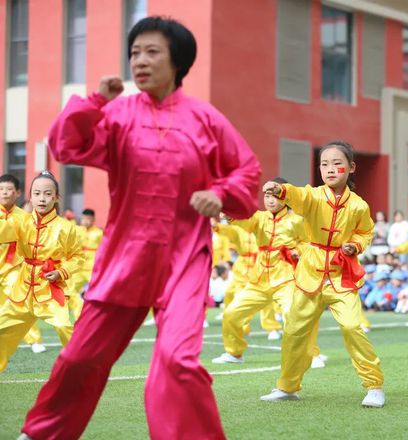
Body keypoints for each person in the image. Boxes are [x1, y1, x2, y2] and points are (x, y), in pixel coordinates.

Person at [19, 17, 260, 440]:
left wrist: (220, 193)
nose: (140, 62)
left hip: (184, 258)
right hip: (125, 257)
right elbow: (65, 145)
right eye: (135, 53)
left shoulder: (205, 118)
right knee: (79, 358)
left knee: (177, 362)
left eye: (152, 52)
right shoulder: (117, 114)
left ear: (178, 61)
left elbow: (247, 170)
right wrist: (94, 102)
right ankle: (42, 435)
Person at [260, 141, 385, 408]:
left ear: (351, 168)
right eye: (324, 164)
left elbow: (366, 232)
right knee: (294, 331)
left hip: (342, 275)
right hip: (310, 274)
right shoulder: (313, 196)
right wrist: (280, 190)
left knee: (352, 326)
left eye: (336, 163)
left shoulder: (359, 206)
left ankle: (374, 386)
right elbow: (297, 196)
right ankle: (288, 387)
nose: (329, 169)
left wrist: (356, 245)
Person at [213, 177, 324, 368]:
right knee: (231, 313)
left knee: (294, 316)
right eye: (267, 196)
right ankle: (235, 352)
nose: (270, 200)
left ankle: (312, 355)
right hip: (259, 279)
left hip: (286, 279)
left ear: (285, 197)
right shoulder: (258, 217)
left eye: (274, 196)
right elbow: (243, 222)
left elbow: (309, 243)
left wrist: (298, 251)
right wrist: (229, 213)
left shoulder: (296, 221)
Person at [0, 171, 83, 372]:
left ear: (56, 197)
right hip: (22, 291)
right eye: (37, 193)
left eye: (47, 194)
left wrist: (61, 272)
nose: (42, 198)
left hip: (50, 290)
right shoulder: (21, 221)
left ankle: (82, 370)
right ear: (30, 197)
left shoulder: (66, 227)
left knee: (64, 327)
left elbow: (77, 257)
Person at [0, 174, 47, 354]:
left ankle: (34, 340)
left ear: (17, 192)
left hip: (12, 269)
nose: (4, 193)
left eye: (9, 189)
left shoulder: (24, 217)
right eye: (1, 189)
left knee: (21, 303)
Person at [67, 208, 104, 321]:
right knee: (70, 289)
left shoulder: (99, 233)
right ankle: (78, 315)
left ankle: (100, 314)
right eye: (83, 219)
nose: (85, 221)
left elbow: (104, 249)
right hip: (78, 267)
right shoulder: (77, 230)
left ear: (93, 220)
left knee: (99, 291)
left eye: (88, 219)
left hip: (92, 268)